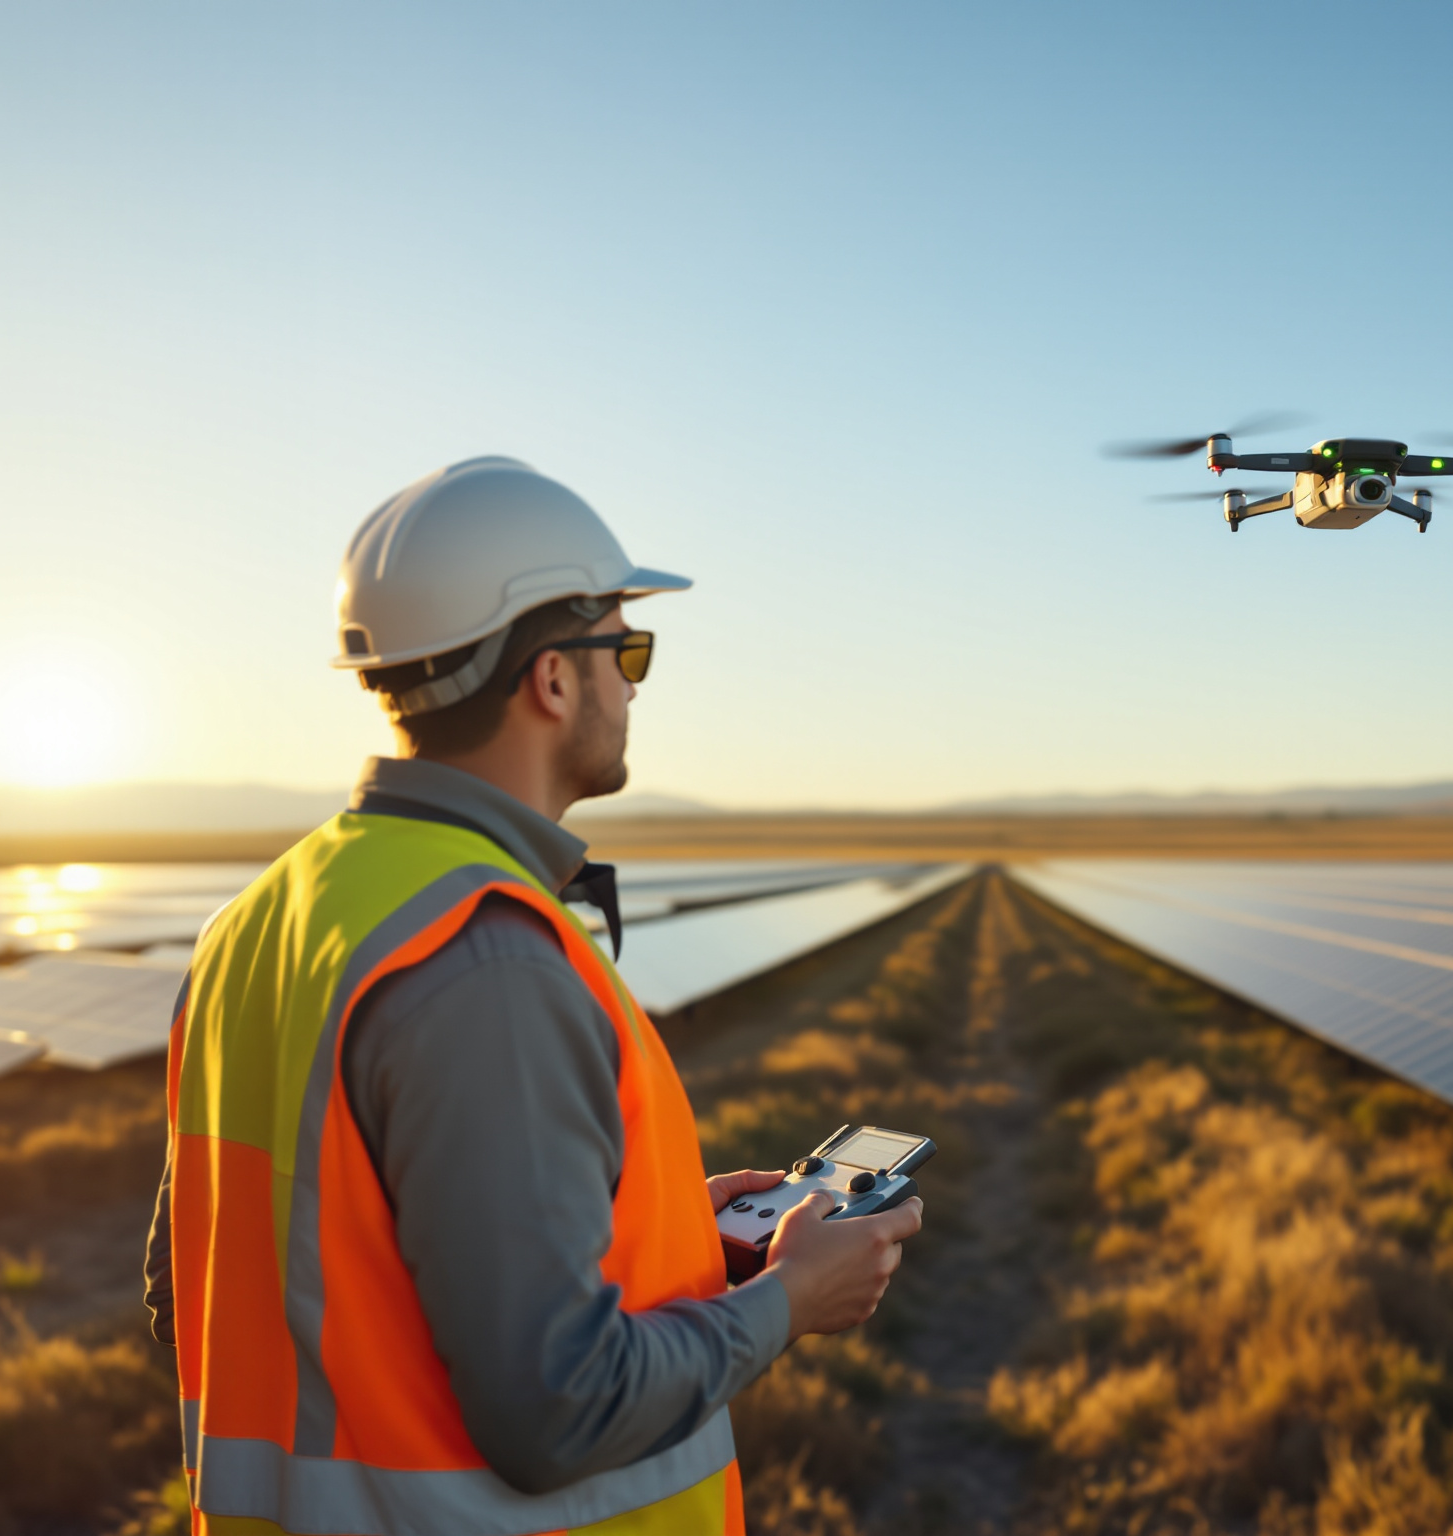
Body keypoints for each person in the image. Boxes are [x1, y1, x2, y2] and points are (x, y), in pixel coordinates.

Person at [142, 457, 921, 1536]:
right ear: (553, 680)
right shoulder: (484, 956)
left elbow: (226, 1280)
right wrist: (784, 1304)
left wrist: (656, 1237)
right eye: (626, 648)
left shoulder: (263, 919)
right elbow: (556, 1409)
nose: (636, 684)